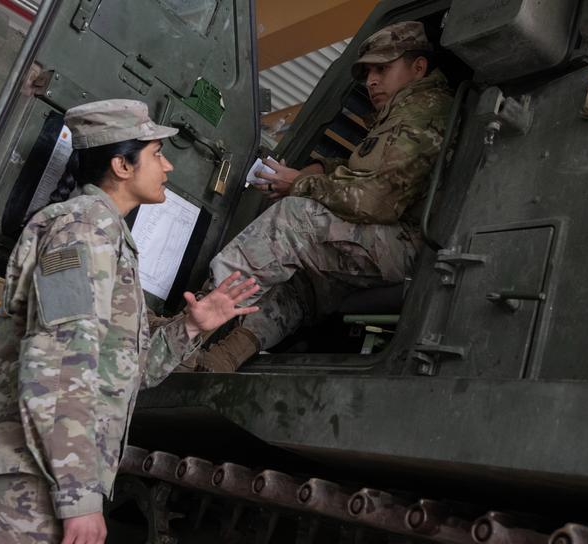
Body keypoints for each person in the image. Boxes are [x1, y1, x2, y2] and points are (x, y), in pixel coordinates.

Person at [0, 99, 259, 544]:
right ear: (121, 164)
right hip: (32, 478)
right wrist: (79, 500)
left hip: (49, 475)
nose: (168, 164)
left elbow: (126, 372)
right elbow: (58, 365)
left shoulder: (108, 237)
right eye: (157, 153)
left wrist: (191, 328)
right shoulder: (80, 230)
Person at [194, 21, 454, 372]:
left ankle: (190, 326)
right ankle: (224, 357)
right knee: (303, 281)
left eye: (382, 68)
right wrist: (320, 169)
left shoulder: (421, 112)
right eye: (367, 73)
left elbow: (376, 201)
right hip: (400, 244)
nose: (371, 80)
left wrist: (299, 184)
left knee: (294, 218)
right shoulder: (406, 111)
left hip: (410, 246)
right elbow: (373, 175)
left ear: (418, 67)